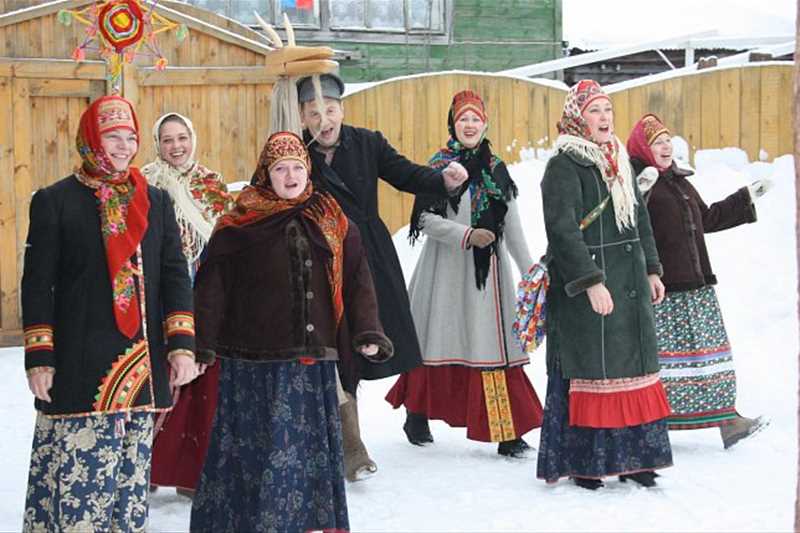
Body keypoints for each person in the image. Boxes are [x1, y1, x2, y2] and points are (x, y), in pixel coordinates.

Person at [189, 131, 392, 532]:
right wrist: (201, 344)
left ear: (308, 170)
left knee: (304, 455)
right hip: (251, 366)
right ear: (266, 174)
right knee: (256, 453)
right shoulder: (238, 222)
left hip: (312, 360)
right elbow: (212, 287)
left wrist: (368, 331)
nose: (290, 176)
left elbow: (357, 279)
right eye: (280, 169)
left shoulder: (331, 218)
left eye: (297, 167)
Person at [21, 95, 198, 531]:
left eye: (130, 137)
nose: (123, 146)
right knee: (80, 484)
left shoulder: (155, 201)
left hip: (141, 366)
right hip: (79, 366)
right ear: (90, 139)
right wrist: (39, 357)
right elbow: (37, 284)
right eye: (112, 136)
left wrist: (182, 346)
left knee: (129, 483)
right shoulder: (55, 201)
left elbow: (175, 276)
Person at [296, 73, 468, 480]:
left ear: (342, 110)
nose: (324, 121)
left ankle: (349, 445)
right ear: (302, 117)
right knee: (331, 350)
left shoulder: (367, 142)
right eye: (314, 113)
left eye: (331, 110)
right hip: (317, 261)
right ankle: (350, 448)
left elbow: (405, 173)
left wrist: (442, 180)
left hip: (367, 257)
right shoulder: (294, 151)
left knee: (365, 345)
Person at [385, 90, 543, 456]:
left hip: (488, 278)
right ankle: (417, 414)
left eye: (475, 119)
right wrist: (466, 235)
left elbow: (512, 226)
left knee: (492, 349)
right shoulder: (439, 166)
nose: (469, 125)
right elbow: (424, 220)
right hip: (444, 272)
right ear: (452, 124)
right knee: (436, 343)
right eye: (462, 119)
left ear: (485, 124)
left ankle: (507, 432)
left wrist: (529, 270)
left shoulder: (497, 169)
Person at [536, 80, 673, 490]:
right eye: (594, 111)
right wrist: (591, 282)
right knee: (593, 371)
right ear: (577, 118)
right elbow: (563, 231)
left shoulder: (619, 159)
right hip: (589, 286)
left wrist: (652, 269)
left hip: (629, 282)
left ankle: (636, 459)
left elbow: (640, 220)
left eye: (608, 110)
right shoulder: (563, 165)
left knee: (633, 369)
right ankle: (588, 461)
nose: (604, 118)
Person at [627, 113, 770, 448]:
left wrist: (745, 198)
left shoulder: (678, 181)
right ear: (642, 148)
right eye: (657, 142)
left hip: (697, 286)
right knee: (665, 364)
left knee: (711, 359)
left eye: (668, 140)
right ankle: (651, 425)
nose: (666, 147)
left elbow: (706, 218)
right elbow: (628, 227)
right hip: (662, 291)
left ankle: (728, 422)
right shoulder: (637, 182)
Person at [142, 112, 232, 498]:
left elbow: (226, 241)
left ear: (192, 138)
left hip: (205, 294)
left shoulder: (212, 184)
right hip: (159, 296)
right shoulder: (144, 183)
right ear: (157, 144)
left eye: (182, 137)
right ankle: (147, 469)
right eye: (167, 140)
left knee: (202, 387)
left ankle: (191, 474)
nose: (176, 146)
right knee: (159, 380)